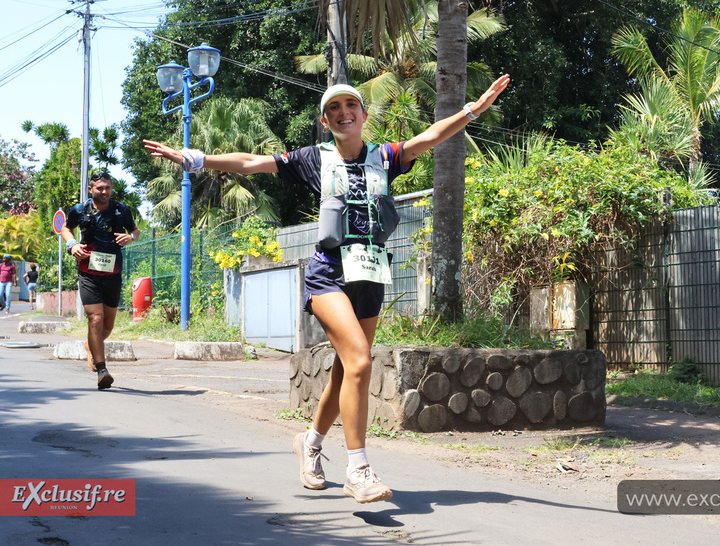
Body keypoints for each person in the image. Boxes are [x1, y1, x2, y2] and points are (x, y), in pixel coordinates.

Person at [144, 74, 510, 503]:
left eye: (349, 106)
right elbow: (249, 162)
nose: (343, 113)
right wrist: (194, 158)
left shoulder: (387, 156)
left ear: (363, 114)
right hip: (329, 274)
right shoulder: (312, 158)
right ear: (324, 121)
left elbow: (431, 135)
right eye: (333, 109)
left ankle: (311, 444)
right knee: (358, 360)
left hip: (370, 274)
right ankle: (359, 468)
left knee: (345, 371)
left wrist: (475, 108)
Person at [60, 171, 140, 390]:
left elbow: (135, 230)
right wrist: (72, 245)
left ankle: (90, 345)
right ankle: (102, 371)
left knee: (107, 326)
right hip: (88, 271)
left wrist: (130, 237)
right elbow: (66, 228)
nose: (104, 192)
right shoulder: (79, 210)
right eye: (100, 188)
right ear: (90, 189)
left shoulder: (121, 210)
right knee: (95, 319)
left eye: (108, 188)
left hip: (113, 272)